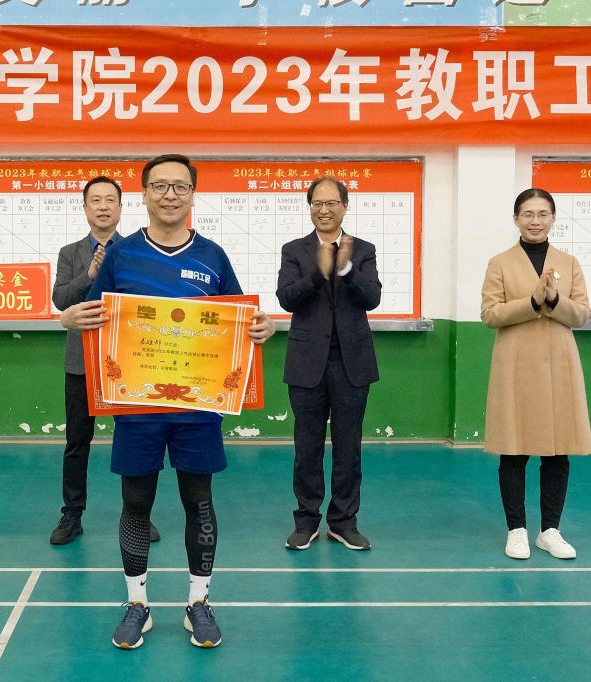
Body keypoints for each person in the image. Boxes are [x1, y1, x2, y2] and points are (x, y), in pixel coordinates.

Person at [60, 154, 276, 650]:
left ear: (193, 194)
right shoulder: (122, 254)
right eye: (160, 186)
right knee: (136, 503)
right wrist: (68, 319)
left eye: (180, 186)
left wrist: (259, 328)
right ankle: (137, 604)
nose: (170, 195)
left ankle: (199, 602)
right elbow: (93, 314)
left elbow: (239, 319)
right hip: (137, 407)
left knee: (199, 502)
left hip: (197, 408)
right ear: (144, 195)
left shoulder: (213, 256)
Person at [480, 188, 591, 561]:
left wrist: (555, 300)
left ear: (553, 218)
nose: (535, 221)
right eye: (527, 214)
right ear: (516, 219)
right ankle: (516, 530)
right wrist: (532, 301)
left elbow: (583, 314)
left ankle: (550, 531)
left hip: (559, 363)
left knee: (558, 451)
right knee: (514, 451)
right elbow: (490, 314)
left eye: (543, 214)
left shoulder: (569, 263)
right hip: (515, 364)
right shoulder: (500, 263)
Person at [48, 175, 159, 546]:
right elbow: (61, 300)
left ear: (121, 207)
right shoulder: (70, 253)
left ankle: (138, 516)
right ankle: (72, 514)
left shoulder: (137, 250)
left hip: (127, 361)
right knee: (77, 442)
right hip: (82, 362)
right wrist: (90, 275)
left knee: (135, 440)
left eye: (110, 199)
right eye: (95, 200)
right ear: (85, 208)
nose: (103, 206)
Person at [276, 177, 381, 552]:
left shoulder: (363, 250)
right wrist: (318, 274)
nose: (324, 210)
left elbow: (372, 298)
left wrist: (345, 269)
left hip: (352, 363)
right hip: (307, 363)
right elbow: (287, 298)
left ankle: (343, 522)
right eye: (317, 203)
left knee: (349, 448)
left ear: (344, 206)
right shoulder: (294, 250)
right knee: (307, 448)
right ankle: (306, 521)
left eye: (331, 203)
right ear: (310, 208)